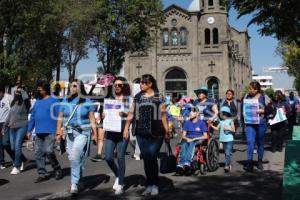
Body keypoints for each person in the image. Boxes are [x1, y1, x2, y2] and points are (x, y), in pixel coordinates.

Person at [123, 74, 170, 197]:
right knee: (146, 158)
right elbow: (131, 113)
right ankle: (149, 185)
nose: (141, 85)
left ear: (150, 84)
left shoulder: (159, 97)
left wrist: (167, 132)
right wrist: (126, 128)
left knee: (152, 156)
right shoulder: (138, 97)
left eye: (143, 83)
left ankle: (155, 185)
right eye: (140, 83)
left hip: (157, 133)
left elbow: (164, 115)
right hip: (141, 132)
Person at [56, 79, 97, 195]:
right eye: (70, 86)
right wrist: (58, 132)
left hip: (83, 132)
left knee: (75, 156)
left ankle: (73, 184)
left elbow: (92, 119)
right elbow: (60, 117)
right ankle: (80, 179)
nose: (71, 88)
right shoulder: (65, 100)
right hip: (69, 133)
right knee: (74, 158)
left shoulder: (87, 101)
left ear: (80, 88)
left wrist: (95, 134)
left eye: (74, 86)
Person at [27, 81, 63, 183]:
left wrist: (59, 131)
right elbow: (33, 116)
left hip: (50, 131)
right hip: (39, 132)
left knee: (48, 151)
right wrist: (29, 130)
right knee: (38, 154)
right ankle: (42, 174)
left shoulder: (53, 100)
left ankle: (57, 168)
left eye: (41, 88)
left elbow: (59, 116)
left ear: (46, 89)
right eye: (38, 88)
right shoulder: (37, 101)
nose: (39, 89)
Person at [102, 77, 132, 195]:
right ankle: (118, 175)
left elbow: (131, 116)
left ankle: (120, 184)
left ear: (124, 86)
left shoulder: (128, 100)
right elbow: (105, 114)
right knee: (108, 157)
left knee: (120, 157)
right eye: (115, 85)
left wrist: (124, 115)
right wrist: (104, 115)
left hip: (123, 132)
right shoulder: (110, 99)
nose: (117, 87)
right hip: (111, 132)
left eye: (119, 85)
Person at [4, 87, 30, 175]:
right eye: (17, 92)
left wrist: (22, 91)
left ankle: (17, 166)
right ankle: (25, 160)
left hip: (22, 127)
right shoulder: (13, 103)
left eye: (20, 92)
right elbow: (10, 115)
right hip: (12, 127)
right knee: (12, 148)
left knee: (17, 146)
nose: (17, 93)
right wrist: (5, 126)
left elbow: (26, 98)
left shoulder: (25, 103)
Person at [242, 81, 267, 172]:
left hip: (260, 123)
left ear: (257, 89)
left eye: (251, 89)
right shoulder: (246, 96)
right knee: (250, 142)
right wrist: (243, 114)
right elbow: (243, 107)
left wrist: (263, 111)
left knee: (260, 143)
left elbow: (271, 108)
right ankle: (249, 162)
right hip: (250, 123)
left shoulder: (264, 97)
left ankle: (259, 161)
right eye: (249, 88)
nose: (250, 90)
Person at [211, 106, 235, 173]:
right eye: (222, 114)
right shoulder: (220, 122)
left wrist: (228, 129)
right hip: (223, 139)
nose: (223, 115)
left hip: (230, 139)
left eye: (224, 114)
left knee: (227, 153)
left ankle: (226, 166)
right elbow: (217, 128)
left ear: (227, 114)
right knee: (227, 153)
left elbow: (234, 130)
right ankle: (228, 163)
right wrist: (211, 125)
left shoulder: (230, 120)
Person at [0, 86, 14, 169]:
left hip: (6, 123)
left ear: (2, 92)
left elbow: (15, 109)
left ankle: (16, 158)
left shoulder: (9, 97)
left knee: (5, 143)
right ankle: (1, 162)